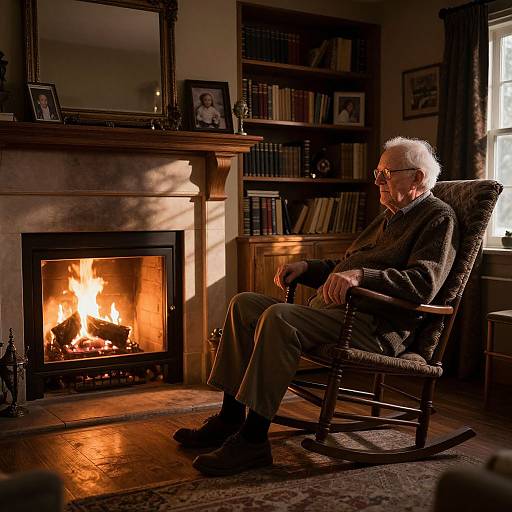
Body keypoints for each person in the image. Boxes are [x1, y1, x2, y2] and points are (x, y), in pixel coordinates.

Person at [173, 136, 459, 476]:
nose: (378, 181)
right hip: (337, 312)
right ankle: (229, 418)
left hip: (376, 326)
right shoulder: (388, 216)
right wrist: (310, 268)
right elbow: (349, 263)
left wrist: (361, 276)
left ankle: (252, 441)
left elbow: (423, 284)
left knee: (280, 316)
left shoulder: (438, 218)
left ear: (418, 178)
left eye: (387, 173)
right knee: (244, 305)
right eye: (377, 172)